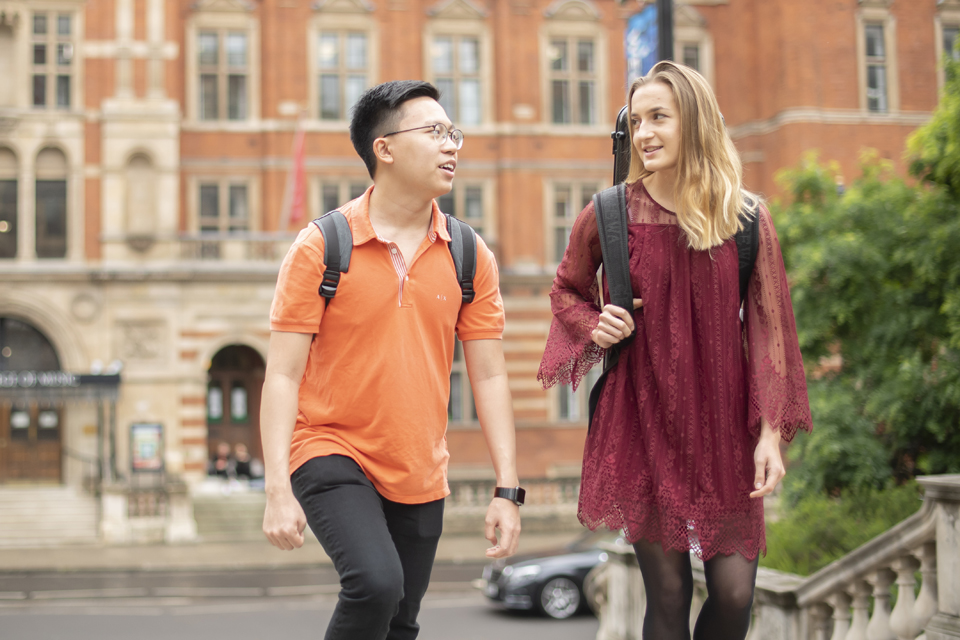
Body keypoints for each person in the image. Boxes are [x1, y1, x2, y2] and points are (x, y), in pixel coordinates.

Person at [538, 61, 812, 640]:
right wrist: (595, 324)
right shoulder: (609, 213)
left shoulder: (746, 218)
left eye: (659, 117)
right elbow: (566, 290)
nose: (644, 134)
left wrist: (768, 435)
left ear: (695, 121)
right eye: (636, 121)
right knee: (667, 595)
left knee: (736, 596)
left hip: (723, 428)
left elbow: (770, 333)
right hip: (641, 420)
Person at [261, 80, 522, 640]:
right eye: (435, 132)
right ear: (385, 149)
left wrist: (507, 489)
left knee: (401, 619)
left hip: (419, 466)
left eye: (454, 133)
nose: (452, 145)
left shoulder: (470, 254)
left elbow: (491, 374)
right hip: (328, 446)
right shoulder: (320, 246)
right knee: (376, 584)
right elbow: (281, 374)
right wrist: (276, 487)